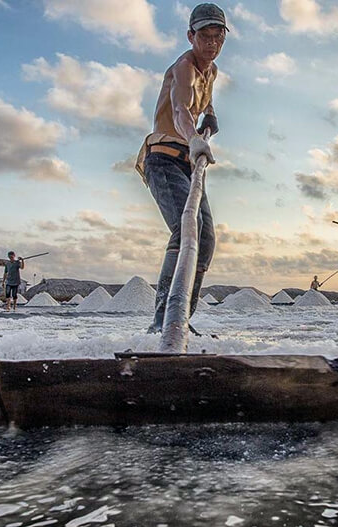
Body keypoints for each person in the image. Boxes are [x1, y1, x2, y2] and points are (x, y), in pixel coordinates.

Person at [135, 4, 227, 333]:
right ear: (191, 36)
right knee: (185, 232)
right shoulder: (184, 66)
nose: (212, 44)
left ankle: (181, 320)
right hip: (162, 158)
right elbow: (180, 108)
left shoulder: (211, 71)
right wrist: (194, 138)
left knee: (206, 238)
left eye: (218, 37)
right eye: (205, 36)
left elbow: (203, 100)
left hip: (186, 164)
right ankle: (163, 321)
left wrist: (211, 114)